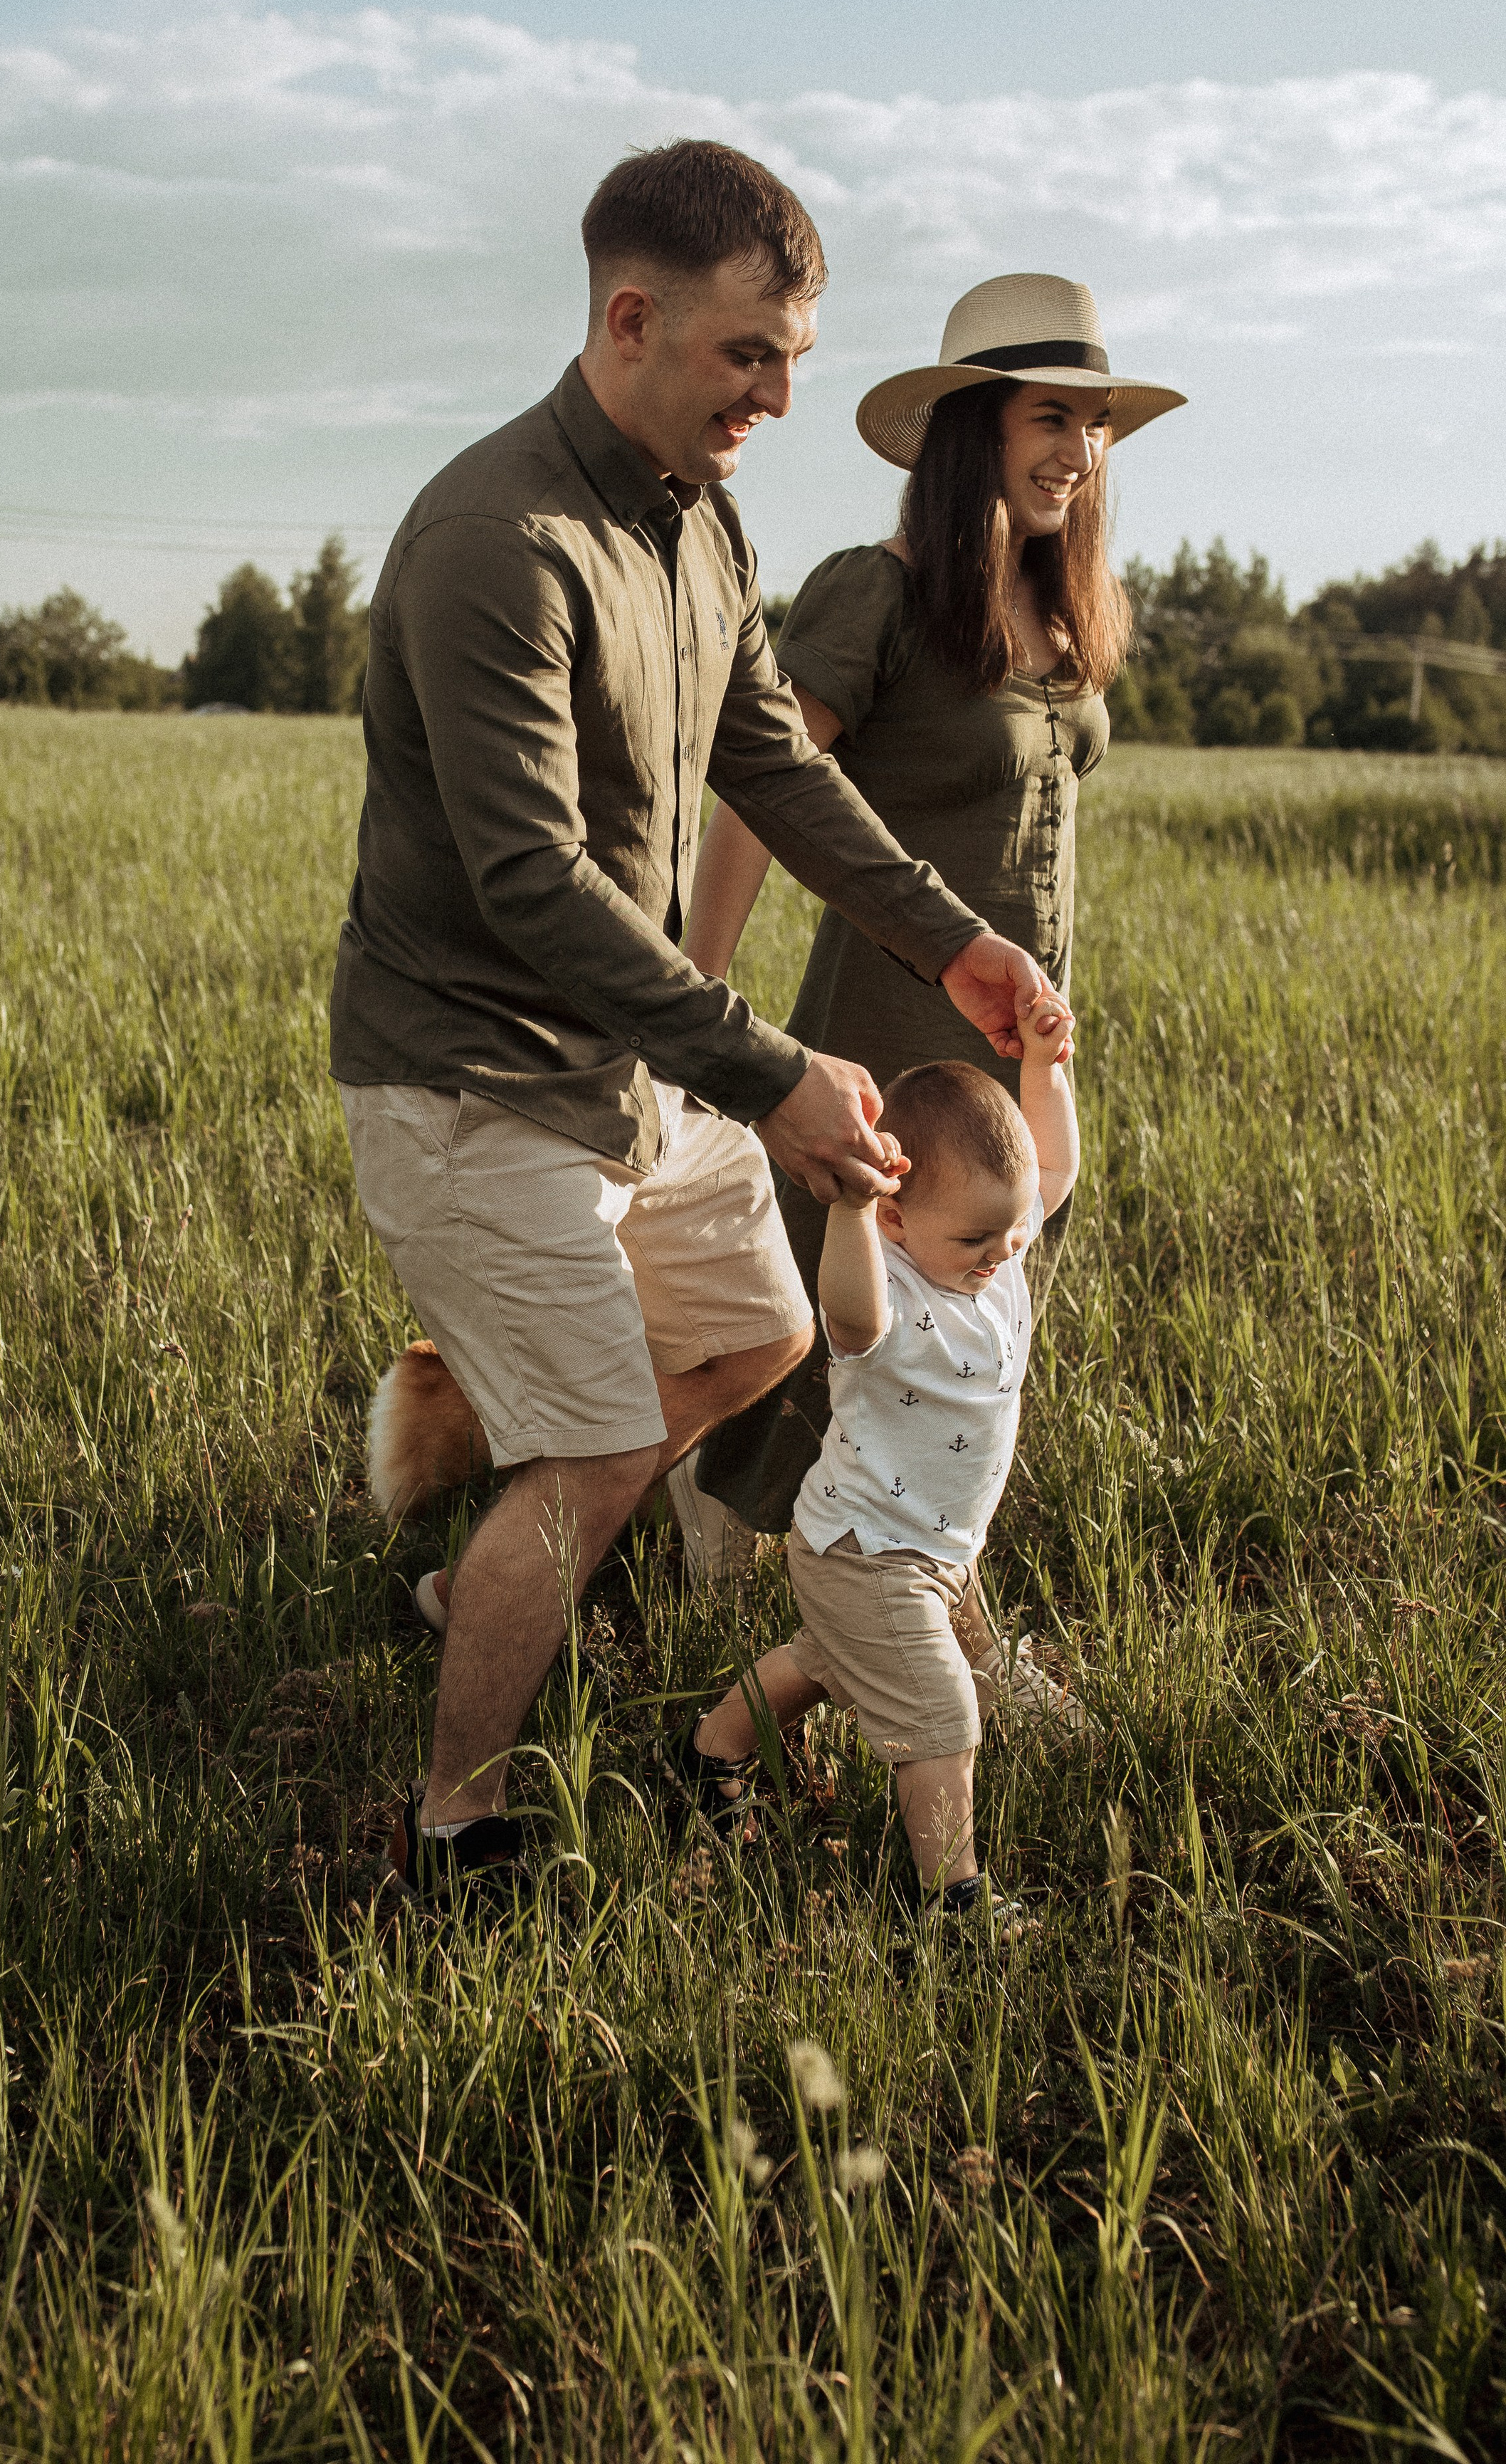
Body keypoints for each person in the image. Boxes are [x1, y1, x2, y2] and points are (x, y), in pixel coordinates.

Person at [327, 140, 1052, 1913]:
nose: (778, 399)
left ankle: (493, 1575)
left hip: (623, 1069)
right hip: (469, 1079)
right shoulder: (497, 544)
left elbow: (773, 766)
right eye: (749, 355)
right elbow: (529, 884)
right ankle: (451, 1831)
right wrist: (771, 1069)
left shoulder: (698, 524)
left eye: (792, 358)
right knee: (587, 1453)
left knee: (758, 1328)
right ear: (630, 320)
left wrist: (949, 941)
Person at [680, 272, 1185, 1558]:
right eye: (1050, 418)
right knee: (843, 1319)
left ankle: (908, 1578)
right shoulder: (881, 592)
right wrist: (695, 1012)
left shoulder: (1062, 611)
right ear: (976, 430)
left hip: (1022, 1040)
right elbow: (760, 795)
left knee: (975, 1325)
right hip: (894, 1029)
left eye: (1094, 424)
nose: (1080, 452)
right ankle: (723, 1560)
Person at [671, 980, 1083, 1939]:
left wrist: (1043, 1067)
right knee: (941, 1712)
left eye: (1011, 1230)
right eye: (976, 1238)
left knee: (830, 1660)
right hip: (869, 1550)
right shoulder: (889, 1283)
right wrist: (852, 1211)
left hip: (928, 1550)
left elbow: (1053, 1165)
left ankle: (709, 1752)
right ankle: (952, 1903)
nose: (1001, 1253)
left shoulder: (995, 1243)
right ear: (897, 1218)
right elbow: (849, 1317)